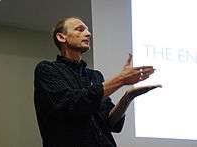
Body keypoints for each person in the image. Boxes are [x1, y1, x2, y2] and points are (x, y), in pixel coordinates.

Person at [34, 17, 161, 147]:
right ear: (61, 37)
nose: (88, 34)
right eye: (80, 29)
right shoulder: (47, 69)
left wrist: (127, 98)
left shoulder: (95, 76)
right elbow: (71, 104)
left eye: (88, 30)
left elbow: (110, 122)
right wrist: (121, 79)